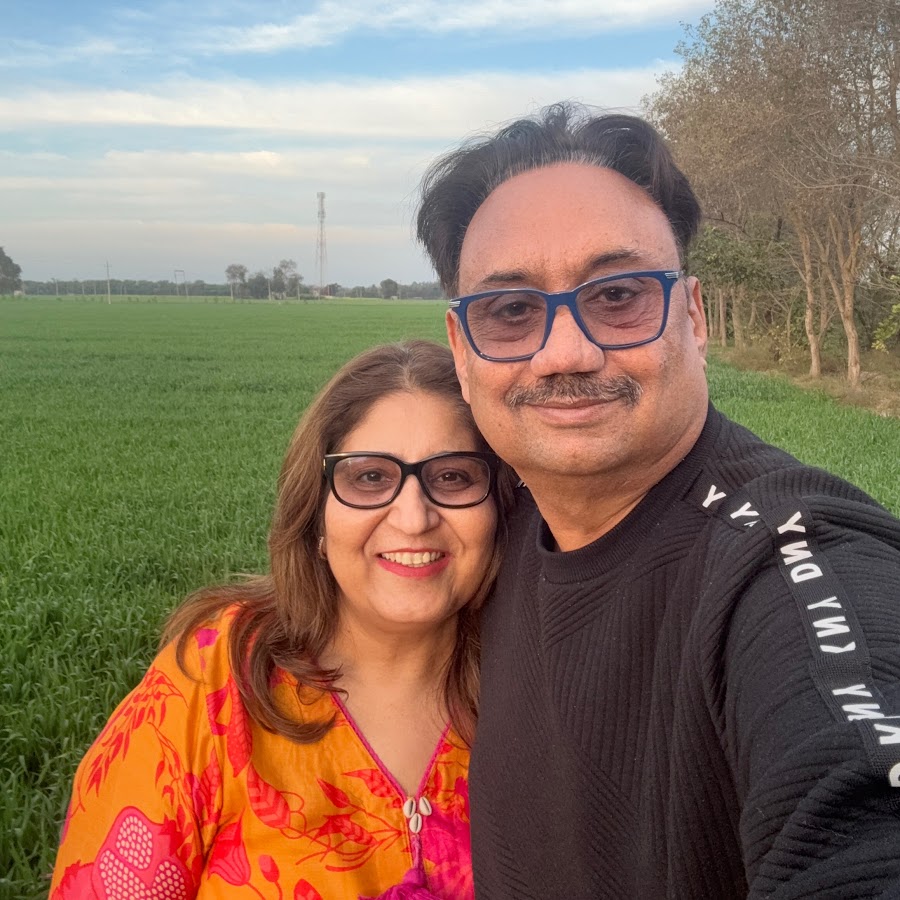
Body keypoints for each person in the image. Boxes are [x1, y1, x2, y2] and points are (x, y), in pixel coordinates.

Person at [415, 103, 900, 898]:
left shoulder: (788, 560)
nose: (566, 352)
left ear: (694, 317)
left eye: (618, 296)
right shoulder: (496, 524)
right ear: (462, 352)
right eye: (511, 312)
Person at [50, 340, 514, 900]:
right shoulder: (214, 682)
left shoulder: (540, 692)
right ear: (316, 516)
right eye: (370, 478)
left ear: (499, 507)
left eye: (453, 477)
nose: (414, 518)